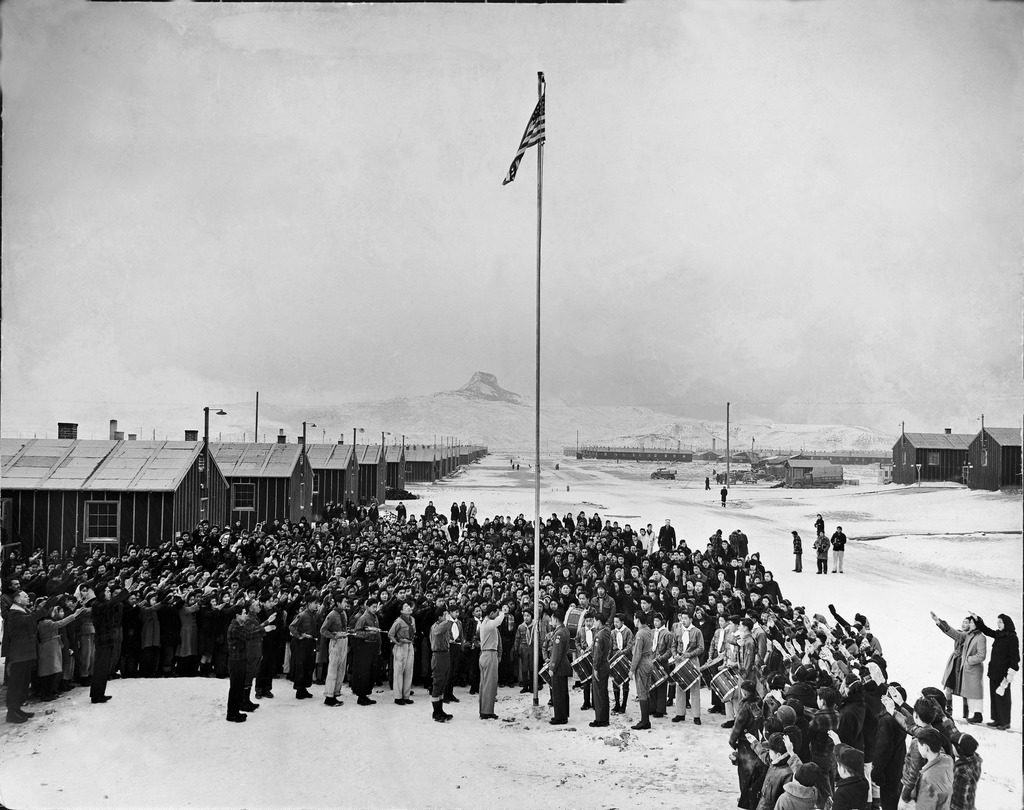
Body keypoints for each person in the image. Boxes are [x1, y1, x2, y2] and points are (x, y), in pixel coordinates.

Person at [930, 611, 987, 723]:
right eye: (964, 622)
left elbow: (955, 634)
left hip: (964, 666)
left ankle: (966, 714)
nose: (965, 624)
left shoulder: (970, 636)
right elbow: (954, 633)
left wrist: (939, 622)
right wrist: (939, 622)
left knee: (964, 690)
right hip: (954, 663)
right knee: (949, 687)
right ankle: (949, 710)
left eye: (968, 623)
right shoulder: (962, 634)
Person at [226, 600, 275, 723]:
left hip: (240, 659)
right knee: (236, 688)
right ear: (237, 615)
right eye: (243, 613)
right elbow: (249, 634)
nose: (245, 615)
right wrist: (265, 629)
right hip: (236, 661)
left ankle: (236, 711)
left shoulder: (238, 625)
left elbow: (250, 632)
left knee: (237, 687)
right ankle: (232, 714)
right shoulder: (235, 627)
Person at [972, 612, 1018, 730]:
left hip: (1004, 674)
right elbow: (986, 630)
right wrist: (978, 620)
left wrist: (1010, 673)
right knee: (994, 695)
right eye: (998, 622)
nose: (998, 624)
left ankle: (1005, 722)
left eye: (1001, 622)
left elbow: (1015, 657)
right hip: (994, 671)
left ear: (1006, 623)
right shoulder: (999, 634)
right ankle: (997, 719)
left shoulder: (1012, 637)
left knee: (1003, 697)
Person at [670, 606, 705, 725]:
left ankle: (696, 716)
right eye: (682, 618)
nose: (683, 620)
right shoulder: (678, 630)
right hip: (679, 660)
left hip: (692, 661)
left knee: (695, 688)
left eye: (685, 618)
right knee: (680, 687)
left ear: (691, 619)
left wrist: (689, 654)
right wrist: (675, 655)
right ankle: (680, 713)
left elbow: (701, 648)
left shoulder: (697, 631)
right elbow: (673, 645)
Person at [909, 728, 954, 810]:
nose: (918, 748)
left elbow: (924, 806)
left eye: (919, 745)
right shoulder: (948, 760)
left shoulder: (927, 779)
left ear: (926, 748)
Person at [288, 594, 321, 700]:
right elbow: (292, 626)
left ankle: (304, 688)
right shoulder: (302, 615)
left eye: (317, 603)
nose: (317, 605)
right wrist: (300, 635)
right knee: (301, 667)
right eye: (315, 603)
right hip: (301, 644)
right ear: (308, 604)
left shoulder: (314, 615)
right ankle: (299, 689)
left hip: (310, 643)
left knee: (309, 666)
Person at [350, 597, 382, 705]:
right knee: (364, 672)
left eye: (376, 607)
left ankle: (367, 694)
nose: (375, 609)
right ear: (367, 607)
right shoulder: (363, 618)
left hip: (373, 646)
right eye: (373, 607)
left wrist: (379, 647)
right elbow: (357, 633)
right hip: (365, 647)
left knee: (371, 672)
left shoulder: (375, 617)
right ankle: (361, 695)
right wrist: (369, 634)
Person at [320, 595, 350, 706]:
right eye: (344, 601)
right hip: (336, 642)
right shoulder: (332, 615)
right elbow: (323, 630)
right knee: (333, 669)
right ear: (338, 603)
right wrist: (334, 635)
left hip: (344, 641)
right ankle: (329, 696)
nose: (346, 603)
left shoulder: (343, 613)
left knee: (341, 669)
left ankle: (336, 692)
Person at [477, 602, 506, 719]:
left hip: (485, 654)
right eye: (496, 612)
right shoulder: (488, 623)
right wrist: (503, 612)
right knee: (490, 684)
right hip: (489, 654)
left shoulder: (485, 623)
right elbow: (499, 621)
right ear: (491, 613)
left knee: (484, 684)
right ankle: (487, 711)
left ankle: (484, 709)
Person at [629, 611, 654, 730]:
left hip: (642, 663)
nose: (634, 621)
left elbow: (637, 654)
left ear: (638, 619)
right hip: (649, 661)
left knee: (642, 692)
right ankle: (646, 720)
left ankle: (644, 721)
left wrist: (631, 669)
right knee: (647, 690)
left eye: (634, 619)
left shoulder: (640, 633)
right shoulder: (648, 630)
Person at [429, 605, 454, 722]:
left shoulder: (442, 626)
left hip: (444, 654)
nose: (446, 617)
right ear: (439, 617)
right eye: (444, 615)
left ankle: (440, 710)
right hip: (438, 656)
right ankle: (436, 711)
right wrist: (448, 619)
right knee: (437, 683)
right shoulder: (436, 627)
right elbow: (441, 629)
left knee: (443, 683)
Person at [388, 600, 416, 706]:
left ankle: (406, 695)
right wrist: (398, 642)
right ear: (401, 611)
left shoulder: (412, 620)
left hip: (410, 646)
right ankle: (398, 697)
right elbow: (391, 634)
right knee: (399, 671)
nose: (409, 607)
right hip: (401, 647)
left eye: (409, 605)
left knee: (409, 671)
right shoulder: (398, 621)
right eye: (405, 607)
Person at [548, 607, 572, 725]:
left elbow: (556, 653)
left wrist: (552, 667)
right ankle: (563, 715)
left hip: (559, 666)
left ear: (556, 619)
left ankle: (560, 717)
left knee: (558, 693)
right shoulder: (565, 630)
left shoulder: (559, 633)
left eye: (552, 619)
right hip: (563, 664)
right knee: (563, 692)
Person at [589, 611, 611, 728]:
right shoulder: (607, 632)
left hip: (600, 665)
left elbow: (597, 654)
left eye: (594, 621)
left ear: (598, 621)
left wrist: (595, 668)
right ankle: (604, 718)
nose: (593, 623)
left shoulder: (599, 635)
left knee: (598, 693)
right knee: (603, 692)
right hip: (606, 664)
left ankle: (600, 719)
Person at [649, 613, 673, 718]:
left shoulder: (667, 633)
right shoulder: (652, 632)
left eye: (657, 621)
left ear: (662, 622)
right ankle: (652, 707)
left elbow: (670, 649)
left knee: (662, 686)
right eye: (654, 621)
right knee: (652, 684)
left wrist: (662, 657)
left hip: (662, 662)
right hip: (652, 660)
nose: (655, 623)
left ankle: (660, 709)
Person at [949, 733, 981, 810]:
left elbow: (960, 799)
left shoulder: (962, 771)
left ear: (960, 749)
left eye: (953, 747)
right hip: (970, 801)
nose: (952, 749)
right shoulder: (975, 760)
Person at [611, 613, 633, 714]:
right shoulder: (612, 633)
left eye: (617, 622)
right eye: (614, 622)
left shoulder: (628, 631)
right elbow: (610, 647)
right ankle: (617, 704)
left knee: (625, 682)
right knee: (615, 681)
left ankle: (624, 705)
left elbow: (630, 645)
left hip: (625, 658)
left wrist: (623, 652)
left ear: (622, 622)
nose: (615, 624)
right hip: (615, 658)